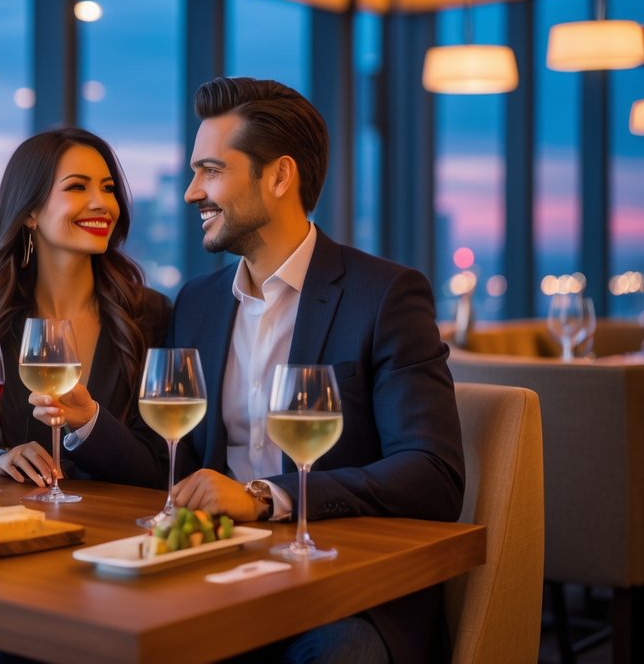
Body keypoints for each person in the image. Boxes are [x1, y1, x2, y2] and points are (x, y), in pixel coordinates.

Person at [34, 78, 465, 663]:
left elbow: (433, 473)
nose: (191, 193)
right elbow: (173, 469)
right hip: (213, 575)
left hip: (344, 590)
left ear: (279, 177)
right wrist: (87, 420)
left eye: (210, 171)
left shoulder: (385, 294)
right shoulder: (197, 303)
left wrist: (265, 498)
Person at [0, 127, 171, 487]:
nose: (103, 203)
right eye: (77, 187)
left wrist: (88, 421)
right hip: (19, 529)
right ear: (30, 213)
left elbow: (160, 467)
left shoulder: (148, 314)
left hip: (116, 534)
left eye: (107, 188)